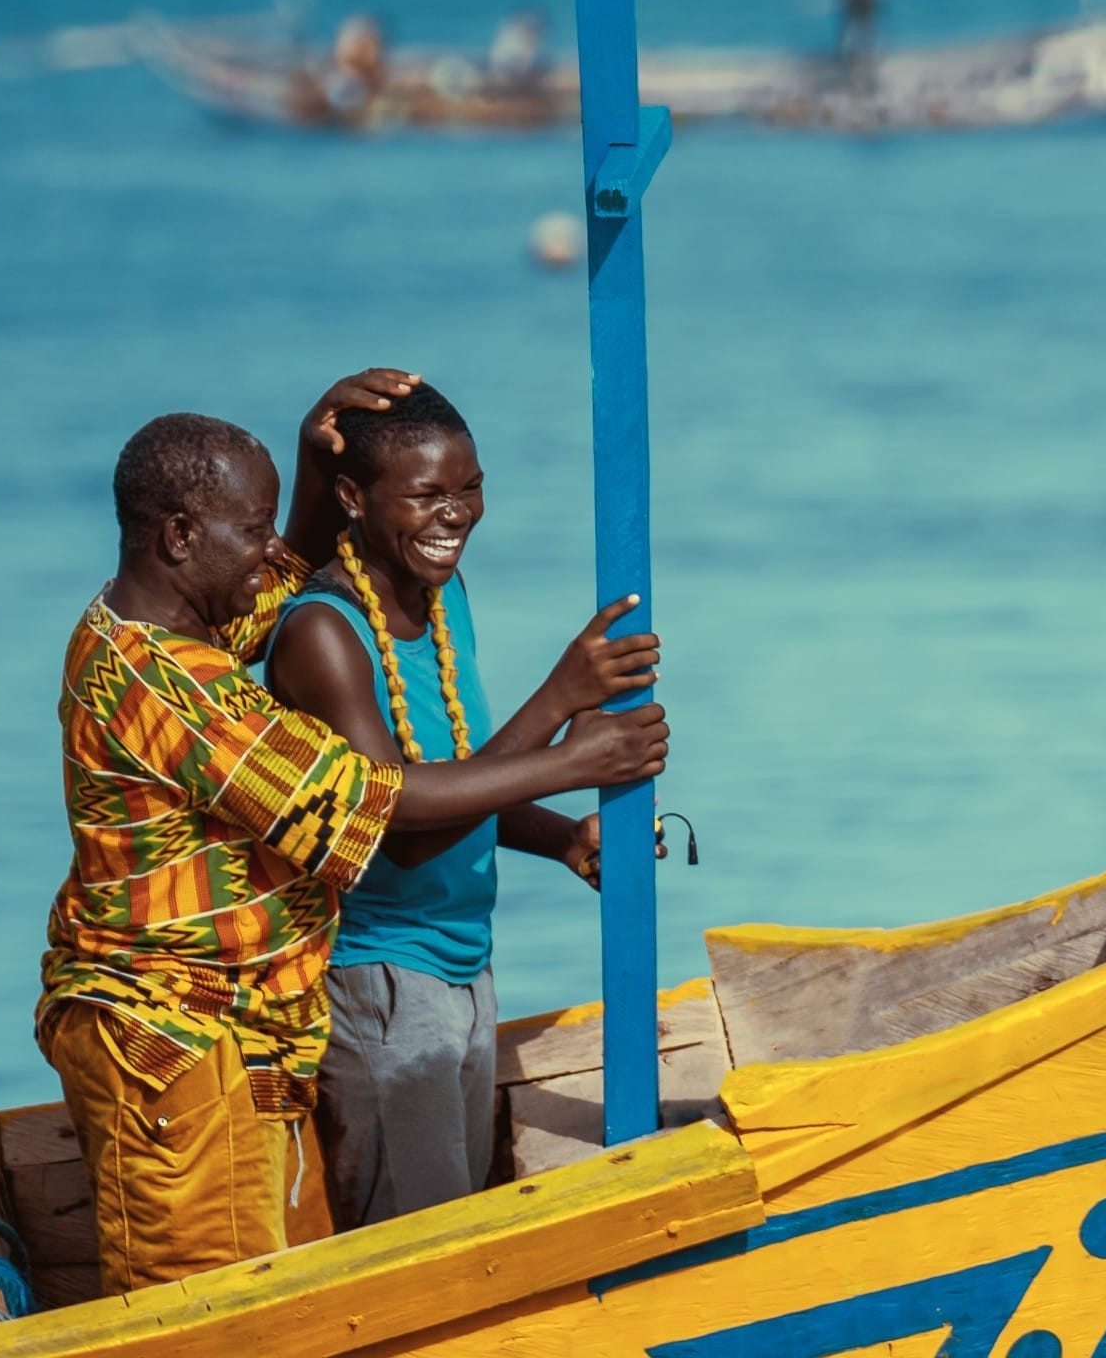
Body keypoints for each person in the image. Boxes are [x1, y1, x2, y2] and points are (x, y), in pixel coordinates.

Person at [38, 372, 670, 1296]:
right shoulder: (172, 689)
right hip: (169, 1039)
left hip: (247, 1034)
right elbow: (368, 804)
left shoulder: (163, 623)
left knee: (306, 1296)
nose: (271, 553)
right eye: (250, 531)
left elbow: (271, 589)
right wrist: (575, 745)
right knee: (210, 1312)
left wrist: (305, 465)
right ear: (177, 536)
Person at [263, 383, 662, 1230]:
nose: (455, 515)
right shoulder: (322, 634)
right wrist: (561, 714)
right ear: (351, 499)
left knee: (461, 1219)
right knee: (422, 1243)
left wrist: (561, 839)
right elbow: (394, 825)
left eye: (469, 488)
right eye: (425, 496)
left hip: (465, 964)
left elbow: (466, 779)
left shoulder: (442, 596)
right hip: (380, 985)